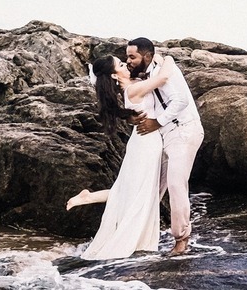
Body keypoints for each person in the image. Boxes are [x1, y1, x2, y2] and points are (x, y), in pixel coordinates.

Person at [65, 53, 171, 260]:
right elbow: (164, 78)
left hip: (144, 142)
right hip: (146, 144)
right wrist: (167, 59)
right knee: (139, 191)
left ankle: (89, 197)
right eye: (121, 64)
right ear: (114, 75)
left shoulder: (132, 85)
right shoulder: (133, 89)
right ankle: (135, 237)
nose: (126, 65)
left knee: (130, 189)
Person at [125, 37, 203, 255]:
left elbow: (181, 101)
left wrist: (157, 122)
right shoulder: (149, 74)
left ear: (147, 56)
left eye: (132, 57)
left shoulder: (164, 71)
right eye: (127, 57)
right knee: (152, 187)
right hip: (163, 137)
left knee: (176, 185)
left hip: (183, 131)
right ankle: (138, 237)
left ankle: (181, 240)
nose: (128, 61)